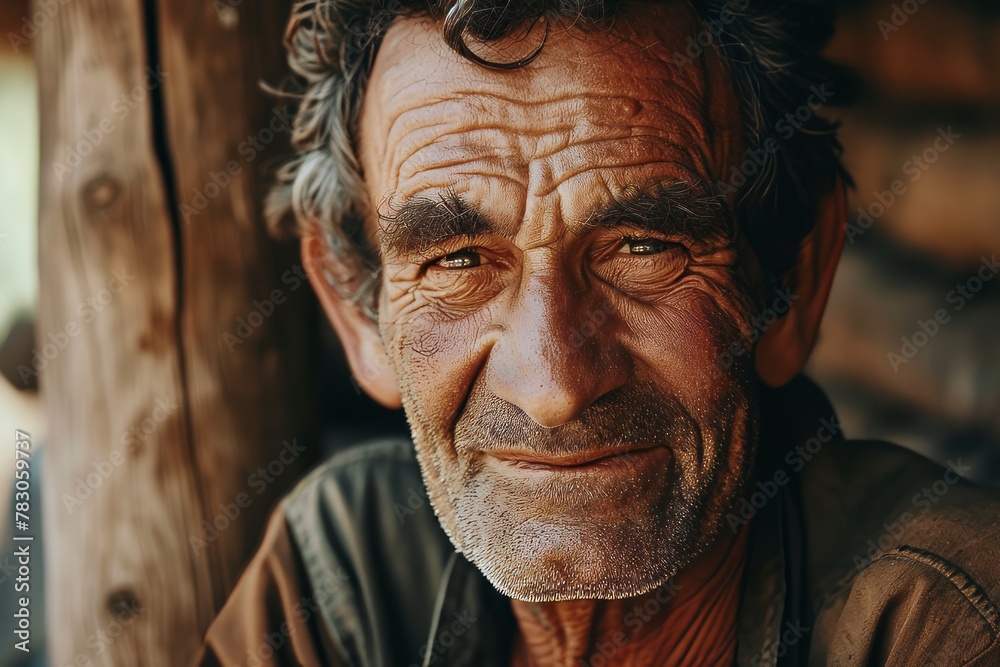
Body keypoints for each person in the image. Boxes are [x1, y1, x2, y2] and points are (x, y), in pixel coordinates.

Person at [194, 1, 1000, 665]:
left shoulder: (945, 624)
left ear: (792, 281)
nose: (552, 384)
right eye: (460, 259)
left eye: (643, 249)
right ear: (355, 308)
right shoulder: (344, 581)